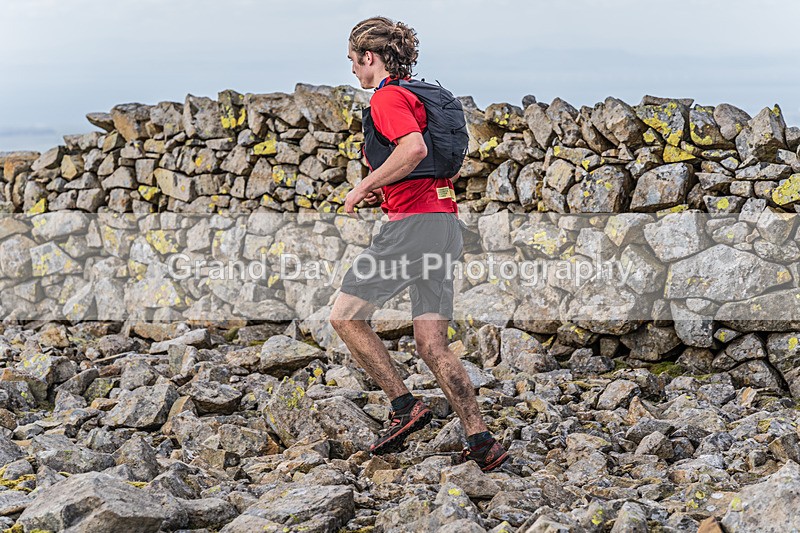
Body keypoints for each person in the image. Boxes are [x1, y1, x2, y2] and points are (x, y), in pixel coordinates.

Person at [328, 16, 509, 472]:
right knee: (432, 344)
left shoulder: (388, 97)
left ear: (369, 57)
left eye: (352, 59)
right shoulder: (427, 95)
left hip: (411, 227)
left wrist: (360, 185)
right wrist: (382, 188)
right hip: (444, 223)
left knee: (345, 316)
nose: (351, 68)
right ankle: (481, 440)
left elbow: (412, 151)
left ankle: (404, 406)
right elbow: (424, 162)